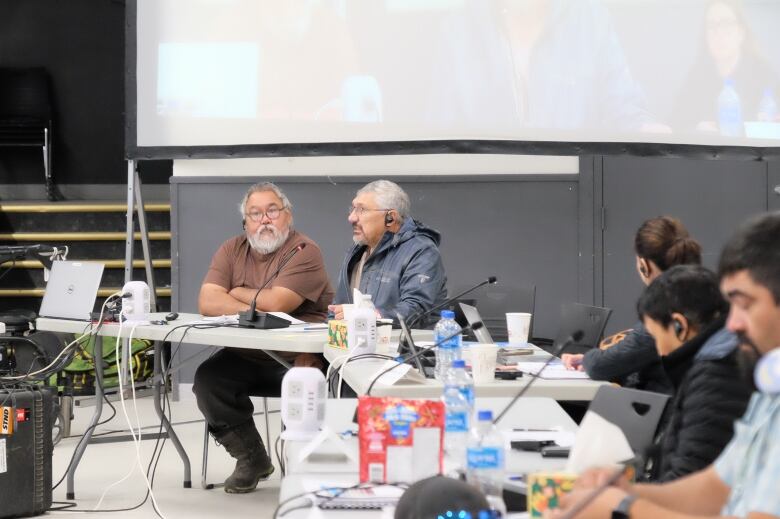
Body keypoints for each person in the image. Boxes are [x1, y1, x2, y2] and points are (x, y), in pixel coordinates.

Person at [550, 211, 780, 519]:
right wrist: (624, 492)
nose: (734, 323)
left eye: (745, 303)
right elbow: (714, 488)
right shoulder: (770, 392)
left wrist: (622, 508)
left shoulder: (722, 372)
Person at [193, 182, 333, 493]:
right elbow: (207, 303)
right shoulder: (231, 248)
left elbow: (278, 304)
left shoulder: (304, 251)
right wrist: (256, 303)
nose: (264, 220)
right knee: (208, 380)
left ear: (288, 216)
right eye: (255, 214)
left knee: (304, 384)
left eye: (272, 211)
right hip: (247, 353)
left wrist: (235, 292)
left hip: (296, 359)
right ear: (245, 222)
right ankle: (251, 457)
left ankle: (301, 468)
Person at [427, 0, 667, 134]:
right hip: (483, 191)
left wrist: (647, 130)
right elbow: (440, 129)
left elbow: (623, 108)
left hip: (573, 188)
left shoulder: (591, 20)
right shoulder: (457, 30)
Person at [636, 265, 752, 482]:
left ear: (680, 325)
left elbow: (687, 477)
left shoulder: (716, 376)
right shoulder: (721, 360)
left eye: (656, 337)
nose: (659, 350)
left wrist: (626, 502)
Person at [562, 216, 702, 394]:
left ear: (644, 266)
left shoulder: (664, 309)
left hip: (662, 412)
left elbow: (601, 365)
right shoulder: (703, 296)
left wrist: (590, 359)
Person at [329, 180, 447, 324]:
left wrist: (367, 315)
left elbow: (415, 310)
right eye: (352, 209)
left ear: (390, 218)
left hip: (407, 344)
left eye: (362, 210)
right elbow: (338, 310)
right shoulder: (356, 252)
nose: (351, 217)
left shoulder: (422, 251)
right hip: (359, 343)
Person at [673, 0, 779, 134]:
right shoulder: (696, 77)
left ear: (741, 32)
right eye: (712, 26)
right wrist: (695, 130)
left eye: (726, 24)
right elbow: (674, 125)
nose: (719, 33)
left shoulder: (765, 77)